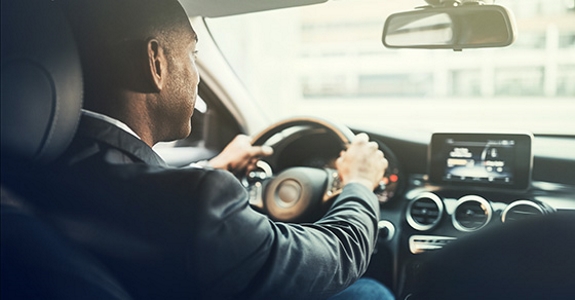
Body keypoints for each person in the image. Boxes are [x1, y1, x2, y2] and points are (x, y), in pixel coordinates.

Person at [43, 0, 393, 299]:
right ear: (155, 63)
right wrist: (359, 184)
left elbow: (144, 197)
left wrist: (211, 170)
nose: (196, 75)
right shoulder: (193, 205)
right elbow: (333, 257)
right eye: (193, 53)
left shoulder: (39, 163)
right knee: (370, 292)